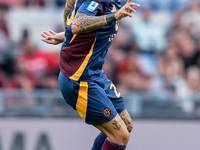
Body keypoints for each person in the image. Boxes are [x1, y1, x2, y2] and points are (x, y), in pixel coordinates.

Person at [41, 0, 140, 149]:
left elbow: (70, 4)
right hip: (79, 78)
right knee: (120, 136)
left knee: (126, 124)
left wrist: (66, 36)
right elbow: (77, 24)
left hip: (95, 73)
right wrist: (115, 16)